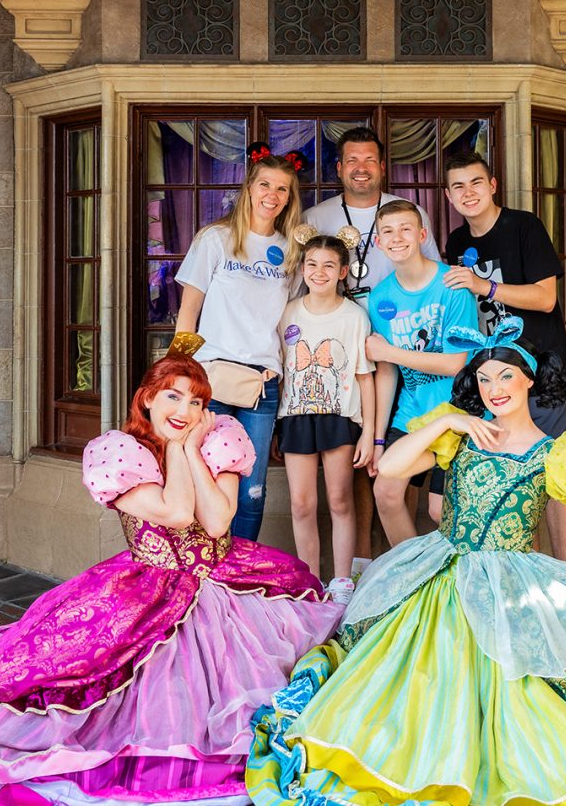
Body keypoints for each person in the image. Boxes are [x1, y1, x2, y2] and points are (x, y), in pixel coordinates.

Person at [246, 319, 566, 806]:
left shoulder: (557, 453)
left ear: (529, 379)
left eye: (506, 375)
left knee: (529, 685)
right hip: (440, 570)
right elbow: (391, 468)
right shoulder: (461, 436)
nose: (494, 389)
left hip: (513, 581)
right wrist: (446, 421)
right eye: (484, 379)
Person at [0, 356, 344, 805]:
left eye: (197, 401)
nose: (185, 410)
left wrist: (190, 450)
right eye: (173, 396)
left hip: (226, 581)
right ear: (147, 398)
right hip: (148, 586)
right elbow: (178, 513)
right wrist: (177, 448)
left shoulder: (219, 441)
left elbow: (218, 523)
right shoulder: (120, 454)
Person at [443, 149, 566, 563]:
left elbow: (545, 298)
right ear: (448, 195)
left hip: (542, 372)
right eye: (457, 186)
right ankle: (527, 570)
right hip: (493, 380)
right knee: (513, 475)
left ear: (492, 185)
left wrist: (484, 285)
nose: (468, 193)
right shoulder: (456, 242)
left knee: (554, 470)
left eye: (475, 182)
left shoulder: (524, 226)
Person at [175, 143, 306, 541]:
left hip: (262, 383)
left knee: (252, 490)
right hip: (211, 379)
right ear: (249, 187)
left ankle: (243, 565)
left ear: (290, 198)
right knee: (205, 480)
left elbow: (287, 322)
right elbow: (188, 312)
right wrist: (179, 375)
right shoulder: (214, 239)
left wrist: (284, 374)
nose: (272, 195)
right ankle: (206, 564)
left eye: (282, 189)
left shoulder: (291, 251)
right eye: (265, 184)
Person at [363, 199, 480, 543]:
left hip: (459, 410)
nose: (397, 237)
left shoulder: (452, 285)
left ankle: (460, 573)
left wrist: (391, 352)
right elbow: (387, 372)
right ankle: (414, 571)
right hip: (412, 413)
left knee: (439, 510)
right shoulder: (380, 298)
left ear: (422, 234)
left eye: (405, 229)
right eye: (388, 231)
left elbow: (456, 363)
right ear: (378, 242)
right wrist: (379, 440)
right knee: (386, 493)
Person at [275, 234, 376, 602]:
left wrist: (369, 432)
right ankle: (311, 580)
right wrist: (274, 426)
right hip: (295, 417)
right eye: (312, 264)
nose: (319, 272)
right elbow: (282, 370)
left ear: (343, 272)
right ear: (302, 269)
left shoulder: (354, 317)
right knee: (301, 503)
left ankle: (343, 581)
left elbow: (365, 377)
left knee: (339, 500)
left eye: (329, 265)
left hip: (339, 418)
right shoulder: (287, 312)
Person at [304, 127, 440, 301]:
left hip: (400, 314)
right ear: (339, 168)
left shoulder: (412, 214)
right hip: (337, 315)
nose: (361, 168)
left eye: (370, 160)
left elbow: (434, 274)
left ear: (382, 168)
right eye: (352, 160)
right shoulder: (313, 219)